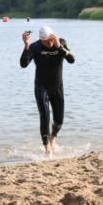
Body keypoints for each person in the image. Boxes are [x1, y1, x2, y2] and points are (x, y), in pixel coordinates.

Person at [20, 25, 75, 155]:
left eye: (51, 39)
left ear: (53, 36)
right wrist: (26, 45)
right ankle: (47, 148)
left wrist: (59, 48)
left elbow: (72, 59)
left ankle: (53, 137)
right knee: (44, 116)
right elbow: (23, 64)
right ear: (41, 40)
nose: (49, 43)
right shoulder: (35, 47)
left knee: (59, 120)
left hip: (57, 87)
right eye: (46, 41)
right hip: (41, 87)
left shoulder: (61, 42)